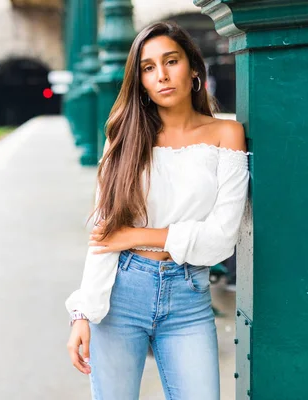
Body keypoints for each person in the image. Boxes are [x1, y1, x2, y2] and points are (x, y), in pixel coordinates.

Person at [65, 21, 249, 400]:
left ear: (194, 69)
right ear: (141, 81)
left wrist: (136, 236)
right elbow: (105, 232)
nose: (162, 75)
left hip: (188, 294)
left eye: (171, 61)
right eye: (148, 68)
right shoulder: (125, 135)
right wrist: (83, 311)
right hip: (121, 293)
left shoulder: (226, 135)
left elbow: (221, 241)